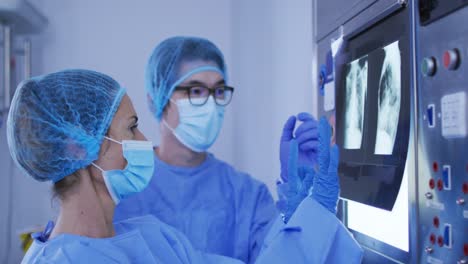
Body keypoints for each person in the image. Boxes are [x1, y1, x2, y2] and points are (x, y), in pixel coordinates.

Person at [10, 69, 362, 263]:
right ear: (78, 148)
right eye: (131, 126)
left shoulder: (151, 237)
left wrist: (306, 210)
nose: (143, 139)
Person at [114, 36, 322, 263]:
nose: (211, 104)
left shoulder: (247, 195)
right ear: (158, 99)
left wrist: (301, 200)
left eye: (219, 91)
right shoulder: (124, 188)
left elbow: (286, 257)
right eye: (196, 91)